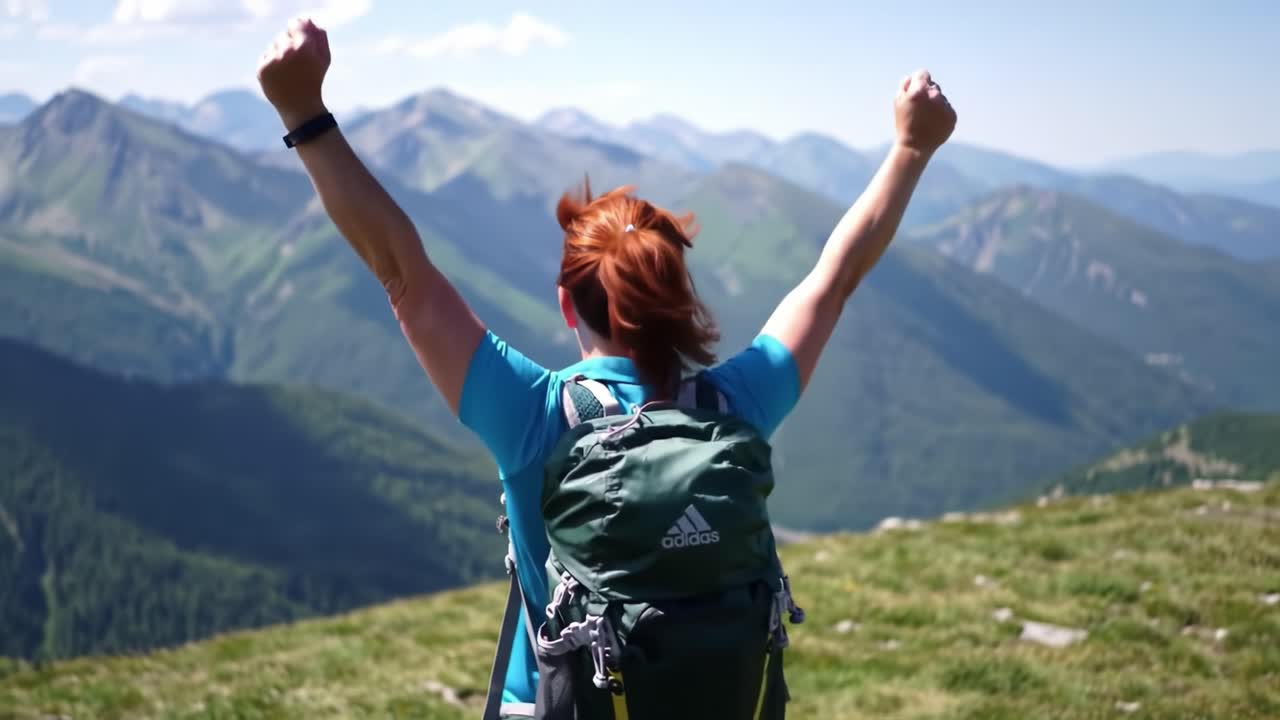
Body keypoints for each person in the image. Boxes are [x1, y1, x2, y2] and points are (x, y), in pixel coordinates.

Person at [256, 16, 956, 718]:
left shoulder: (534, 415)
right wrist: (910, 148)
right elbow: (833, 280)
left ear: (567, 305)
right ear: (681, 301)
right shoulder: (735, 404)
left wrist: (302, 112)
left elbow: (401, 272)